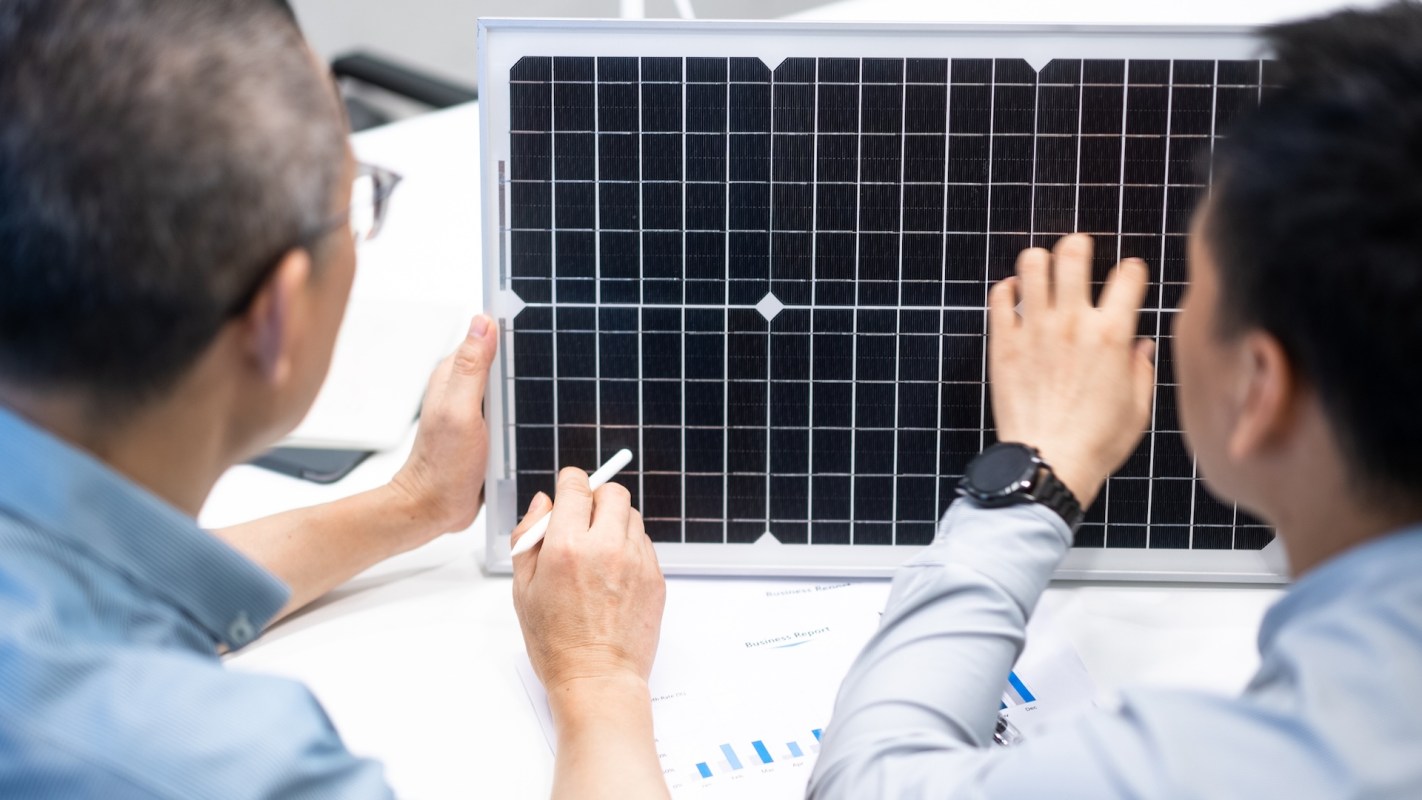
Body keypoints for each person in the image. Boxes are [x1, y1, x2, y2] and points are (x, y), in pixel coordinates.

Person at [0, 1, 663, 797]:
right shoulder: (229, 769)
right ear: (277, 315)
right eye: (355, 198)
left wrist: (413, 503)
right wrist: (599, 677)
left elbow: (97, 586)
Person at [804, 3, 1422, 798]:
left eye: (1196, 283)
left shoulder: (1255, 768)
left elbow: (866, 784)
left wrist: (1031, 478)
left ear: (1260, 389)